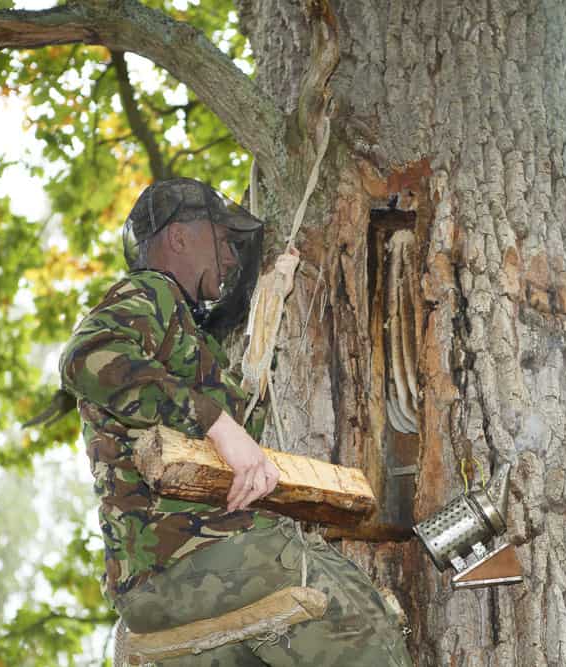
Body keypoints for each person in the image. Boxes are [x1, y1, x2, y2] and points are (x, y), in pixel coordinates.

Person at [60, 178, 411, 666]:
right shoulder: (152, 293)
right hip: (205, 559)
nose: (231, 259)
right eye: (223, 240)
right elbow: (88, 358)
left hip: (154, 591)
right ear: (180, 238)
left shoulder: (187, 340)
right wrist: (221, 428)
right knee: (368, 633)